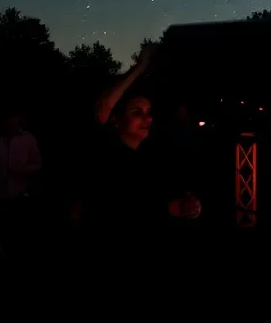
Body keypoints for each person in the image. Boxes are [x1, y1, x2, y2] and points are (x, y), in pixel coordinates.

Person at [77, 44, 201, 261]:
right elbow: (104, 106)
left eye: (148, 113)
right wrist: (139, 67)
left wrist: (190, 207)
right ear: (117, 121)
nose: (147, 118)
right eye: (137, 112)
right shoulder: (105, 153)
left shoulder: (154, 158)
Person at [0, 103, 42, 259]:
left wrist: (22, 170)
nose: (12, 121)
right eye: (8, 117)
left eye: (15, 117)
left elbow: (38, 164)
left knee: (18, 237)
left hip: (20, 197)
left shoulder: (28, 139)